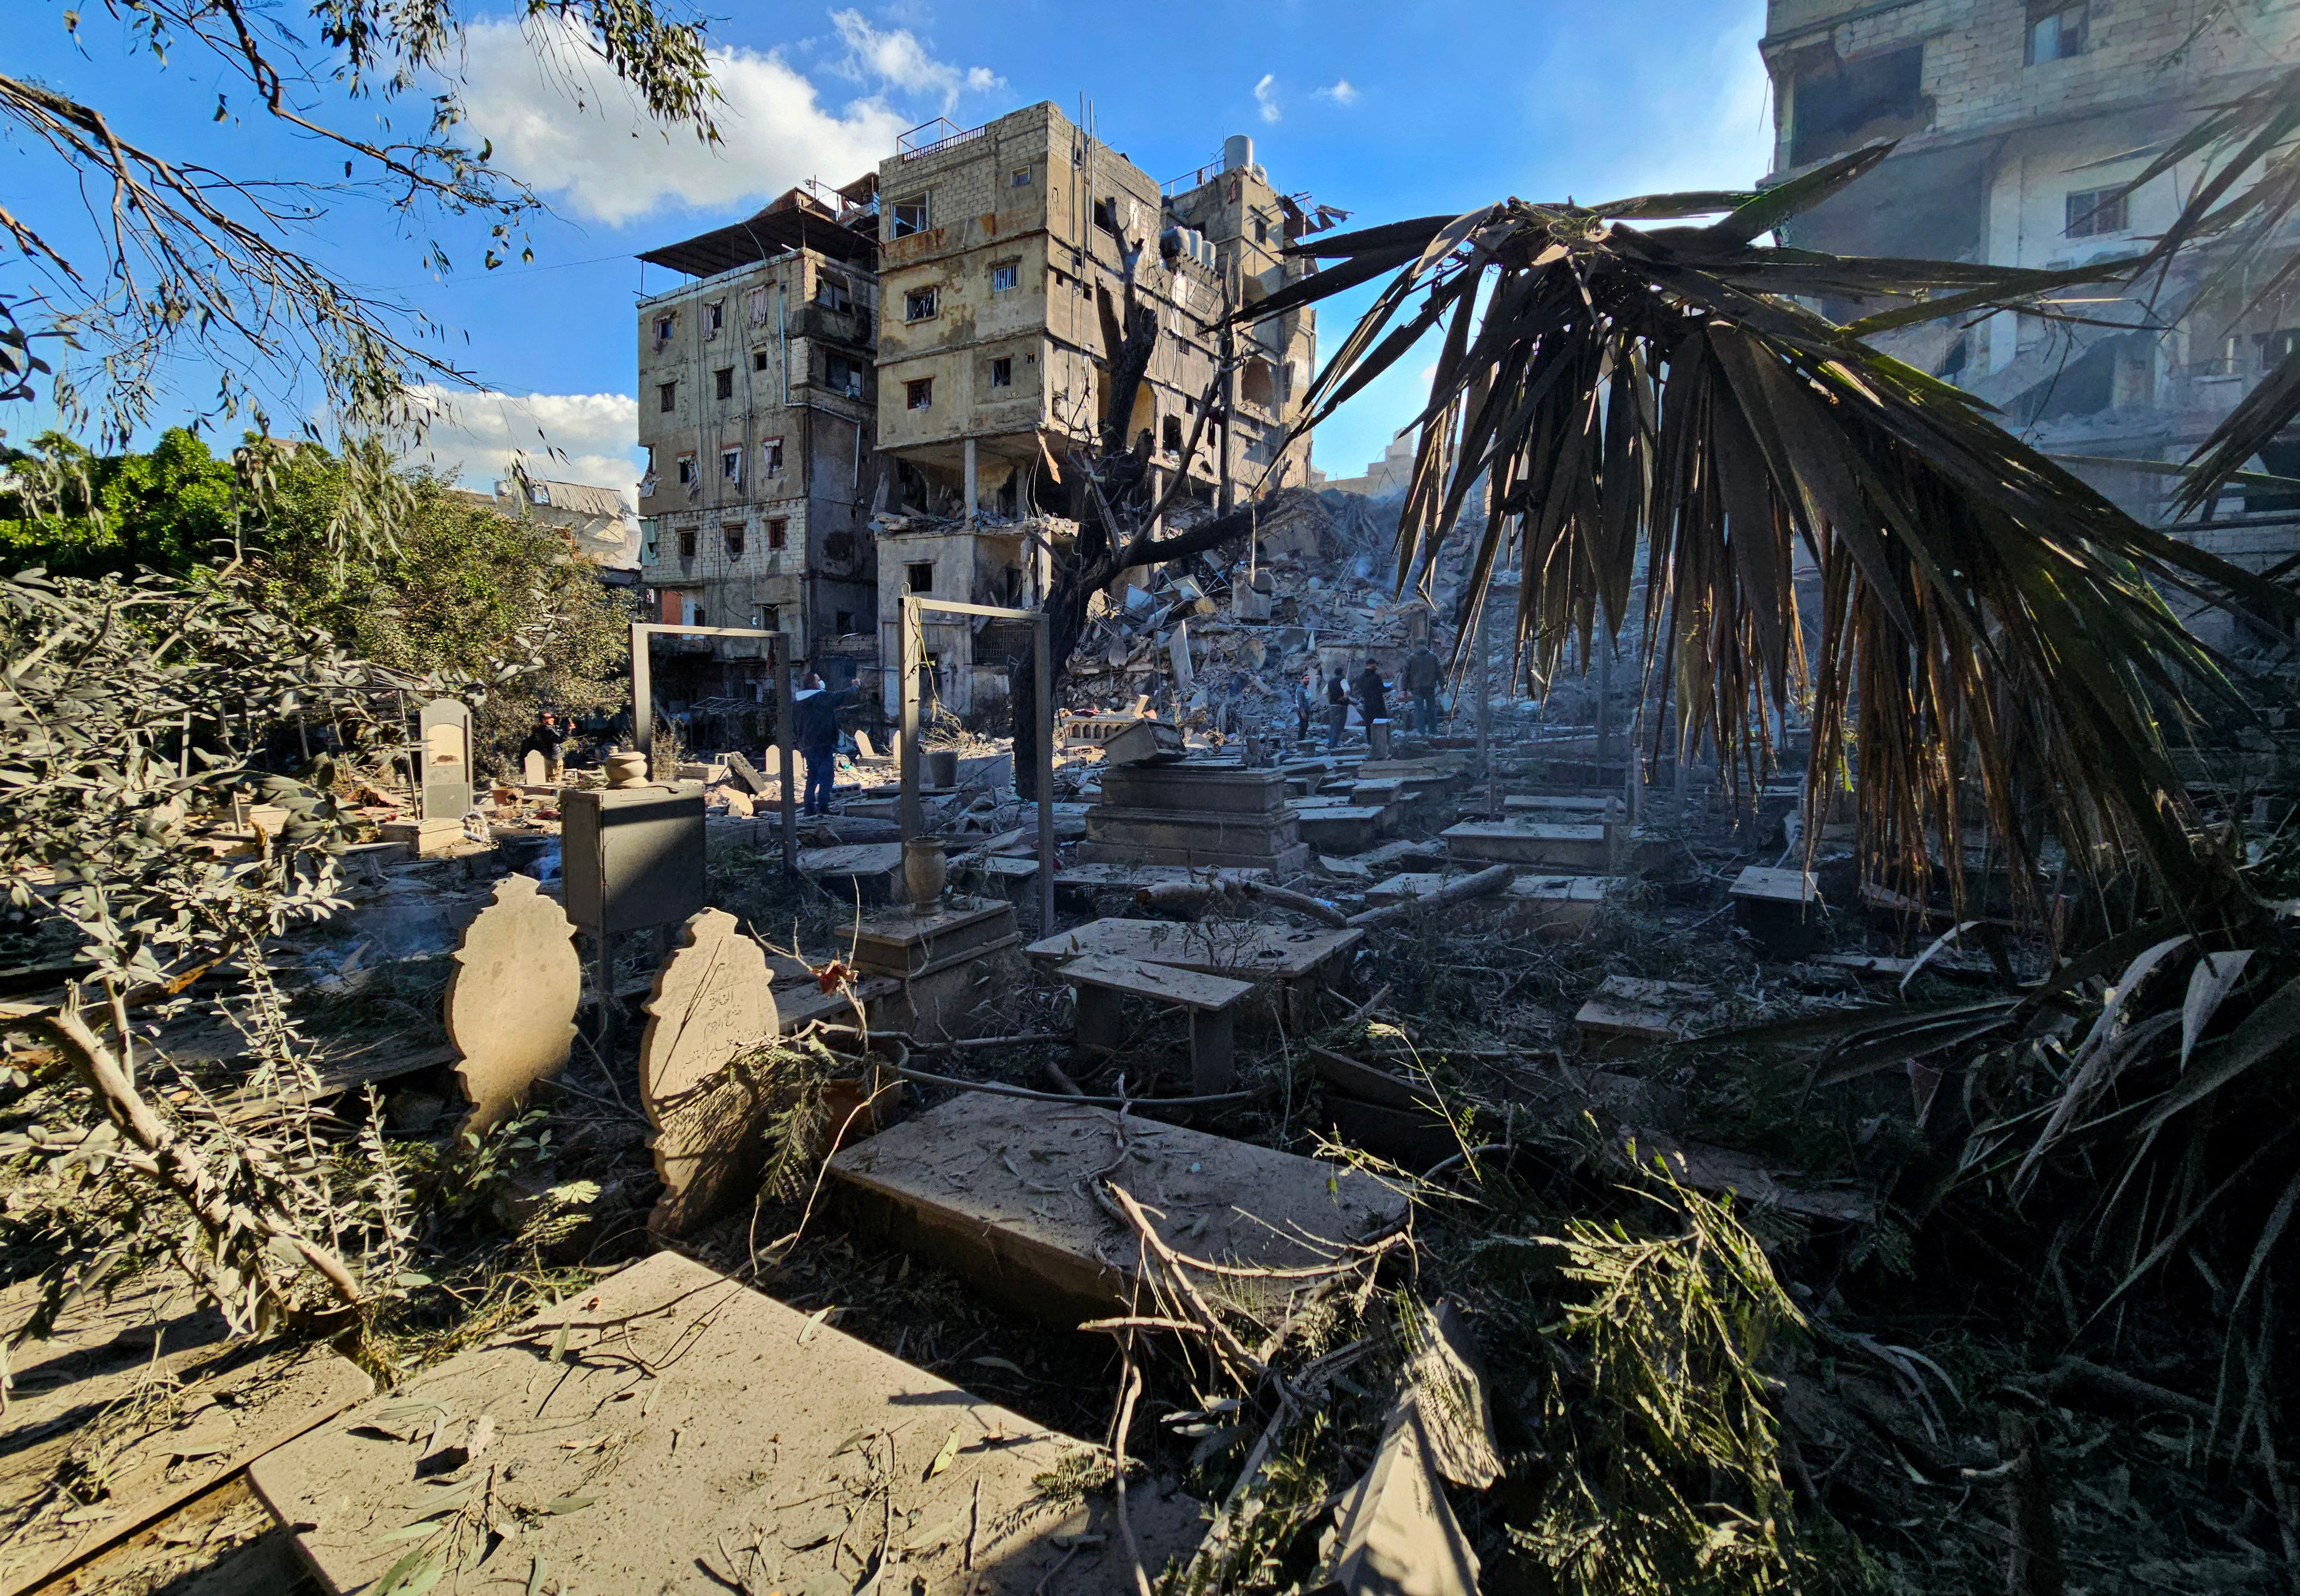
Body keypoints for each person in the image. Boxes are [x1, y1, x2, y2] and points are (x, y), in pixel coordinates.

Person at [792, 672, 860, 816]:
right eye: (818, 679)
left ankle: (809, 809)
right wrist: (855, 687)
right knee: (826, 777)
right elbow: (841, 696)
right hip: (823, 743)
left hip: (807, 744)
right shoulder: (820, 697)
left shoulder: (797, 702)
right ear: (812, 684)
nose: (821, 682)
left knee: (812, 776)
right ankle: (823, 807)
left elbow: (794, 725)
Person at [1404, 644, 1443, 734]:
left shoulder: (1411, 658)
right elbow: (1439, 671)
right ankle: (1433, 731)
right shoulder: (1433, 656)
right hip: (1430, 687)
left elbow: (1406, 674)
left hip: (1416, 688)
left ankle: (1421, 732)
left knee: (1419, 710)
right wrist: (1442, 685)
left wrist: (1404, 689)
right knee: (1432, 710)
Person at [518, 711, 566, 780]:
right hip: (552, 759)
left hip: (543, 759)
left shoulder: (534, 737)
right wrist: (568, 731)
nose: (553, 719)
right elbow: (559, 740)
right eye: (549, 718)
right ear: (544, 720)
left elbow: (523, 753)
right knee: (555, 780)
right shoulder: (548, 731)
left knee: (546, 780)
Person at [1354, 660, 1389, 730]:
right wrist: (1389, 688)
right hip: (1378, 703)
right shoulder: (1376, 677)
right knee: (1380, 723)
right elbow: (1380, 689)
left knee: (1369, 724)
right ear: (1370, 665)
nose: (1376, 666)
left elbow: (1359, 690)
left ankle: (1370, 740)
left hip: (1367, 703)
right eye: (1375, 665)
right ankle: (1380, 739)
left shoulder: (1361, 677)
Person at [1324, 669, 1350, 750]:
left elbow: (1324, 692)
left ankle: (1331, 744)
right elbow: (1347, 690)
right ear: (1342, 673)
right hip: (1341, 706)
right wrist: (1345, 697)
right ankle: (1333, 746)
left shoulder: (1331, 682)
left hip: (1332, 706)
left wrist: (1330, 698)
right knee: (1339, 726)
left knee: (1333, 726)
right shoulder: (1343, 680)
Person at [1295, 671, 1317, 744]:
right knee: (1302, 727)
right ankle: (1300, 742)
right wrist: (1302, 712)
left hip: (1307, 711)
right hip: (1303, 711)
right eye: (1306, 679)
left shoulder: (1306, 690)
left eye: (1308, 679)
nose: (1307, 680)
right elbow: (1299, 702)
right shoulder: (1300, 690)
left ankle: (1302, 741)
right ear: (1302, 680)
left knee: (1305, 727)